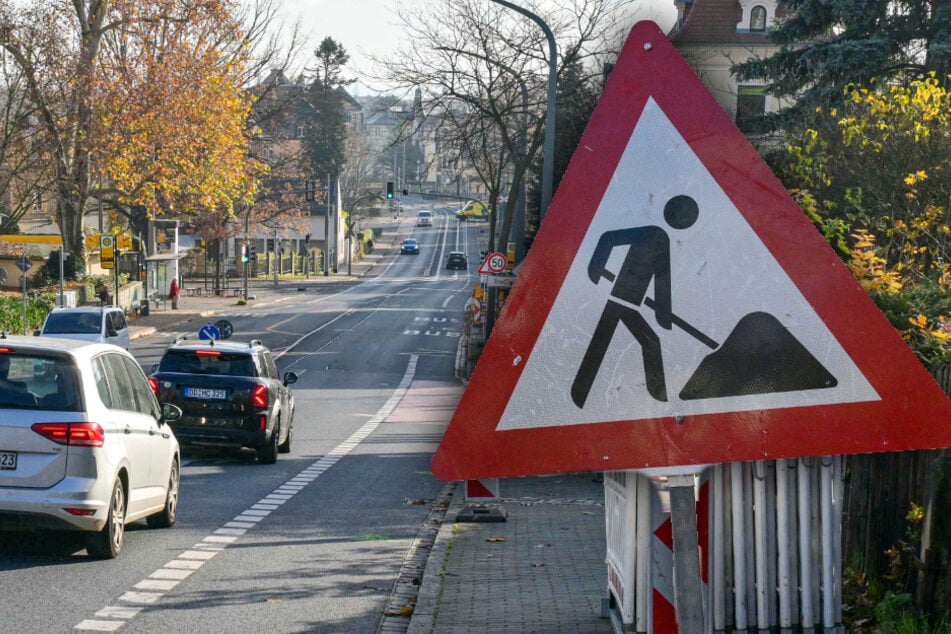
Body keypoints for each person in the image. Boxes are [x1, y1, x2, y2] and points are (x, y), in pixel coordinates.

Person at [571, 195, 699, 407]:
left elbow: (661, 281)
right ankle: (579, 394)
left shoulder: (661, 238)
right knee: (640, 343)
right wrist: (595, 267)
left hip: (628, 304)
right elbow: (608, 238)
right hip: (618, 300)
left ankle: (579, 393)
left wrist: (663, 315)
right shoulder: (651, 232)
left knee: (613, 343)